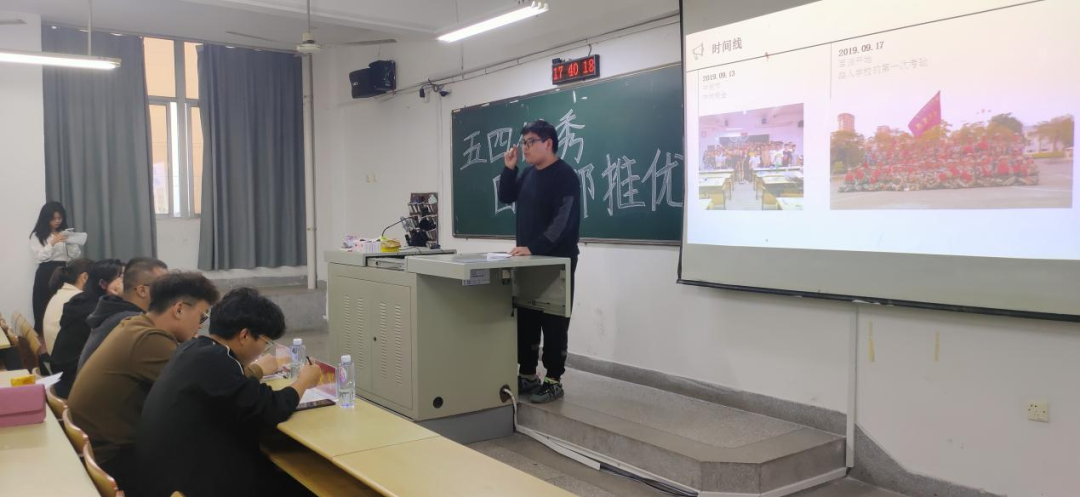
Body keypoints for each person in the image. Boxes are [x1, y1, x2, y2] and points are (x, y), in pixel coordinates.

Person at [136, 288, 321, 497]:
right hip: (190, 483)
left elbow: (238, 394)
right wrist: (304, 381)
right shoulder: (216, 361)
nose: (263, 350)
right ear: (244, 335)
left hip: (166, 473)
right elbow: (270, 408)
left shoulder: (195, 349)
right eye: (265, 343)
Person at [68, 272, 221, 491]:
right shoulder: (150, 340)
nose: (200, 325)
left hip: (96, 450)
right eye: (202, 316)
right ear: (179, 309)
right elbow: (207, 389)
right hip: (115, 460)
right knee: (216, 454)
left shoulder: (134, 324)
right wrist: (254, 369)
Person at [498, 120, 581, 404]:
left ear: (548, 143)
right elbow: (506, 196)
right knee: (527, 318)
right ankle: (528, 374)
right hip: (529, 261)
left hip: (557, 261)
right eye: (523, 142)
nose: (525, 148)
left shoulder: (566, 176)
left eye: (530, 142)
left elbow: (563, 222)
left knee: (555, 321)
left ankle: (553, 380)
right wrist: (510, 169)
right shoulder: (528, 174)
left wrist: (535, 248)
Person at [78, 258, 169, 372]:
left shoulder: (113, 313)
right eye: (164, 286)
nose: (171, 292)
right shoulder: (131, 322)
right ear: (142, 290)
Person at [51, 259, 124, 398]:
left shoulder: (81, 300)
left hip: (62, 377)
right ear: (103, 284)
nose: (124, 282)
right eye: (120, 277)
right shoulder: (98, 312)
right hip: (75, 383)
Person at [29, 202, 83, 333]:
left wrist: (70, 242)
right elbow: (39, 257)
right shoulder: (37, 235)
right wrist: (53, 242)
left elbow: (75, 255)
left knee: (63, 302)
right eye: (53, 218)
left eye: (60, 218)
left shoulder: (64, 233)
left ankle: (63, 332)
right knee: (44, 302)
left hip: (63, 270)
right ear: (46, 218)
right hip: (46, 271)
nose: (57, 221)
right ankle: (43, 334)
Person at [42, 258, 93, 353]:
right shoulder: (78, 299)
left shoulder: (59, 293)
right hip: (65, 357)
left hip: (54, 354)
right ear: (85, 277)